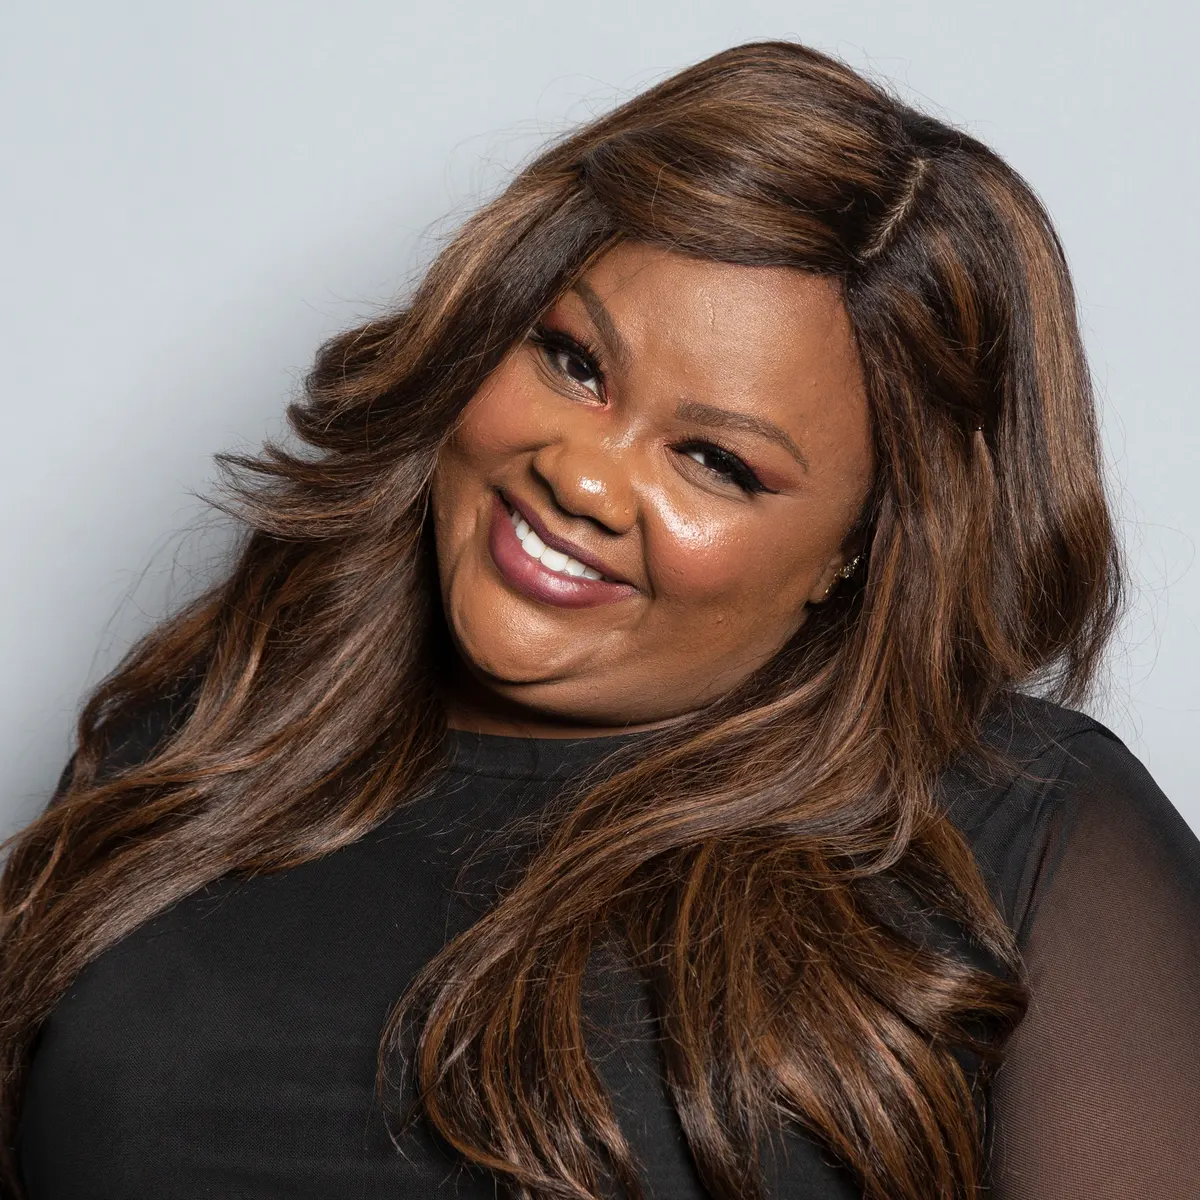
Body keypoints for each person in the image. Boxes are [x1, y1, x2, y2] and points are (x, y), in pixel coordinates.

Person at [1, 37, 1196, 1200]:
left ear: (862, 550)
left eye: (716, 462)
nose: (582, 476)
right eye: (574, 362)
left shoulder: (1028, 840)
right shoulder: (204, 743)